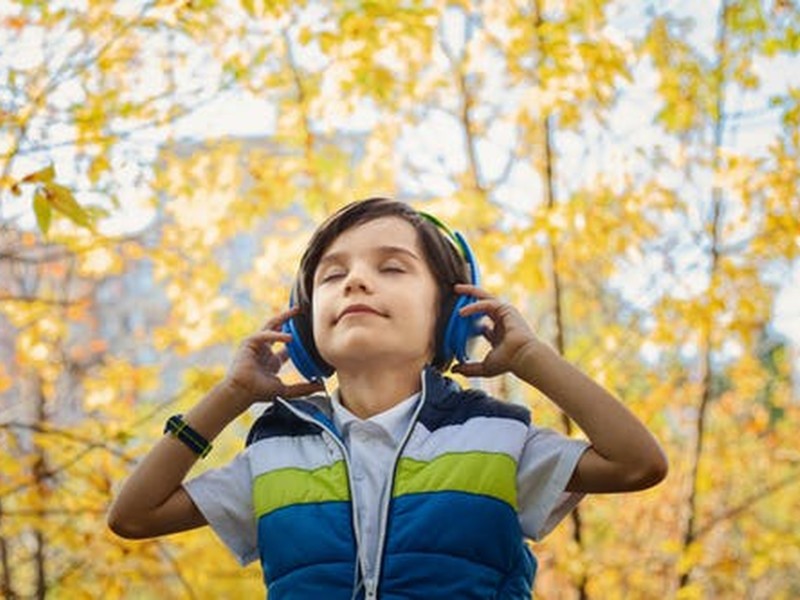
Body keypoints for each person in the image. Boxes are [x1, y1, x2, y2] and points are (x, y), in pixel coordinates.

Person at [108, 197, 668, 599]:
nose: (354, 282)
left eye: (392, 267)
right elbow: (133, 515)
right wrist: (231, 396)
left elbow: (637, 462)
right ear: (304, 330)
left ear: (448, 318)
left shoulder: (495, 439)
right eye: (332, 276)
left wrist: (530, 357)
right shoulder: (276, 455)